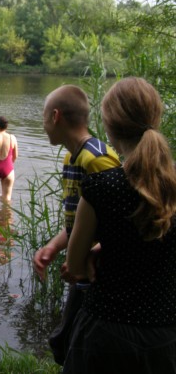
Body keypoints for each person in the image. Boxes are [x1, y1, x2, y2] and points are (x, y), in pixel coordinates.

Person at [62, 77, 176, 373]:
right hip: (164, 333)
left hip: (104, 330)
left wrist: (97, 251)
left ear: (110, 128)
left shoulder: (101, 187)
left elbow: (74, 266)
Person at [32, 85, 120, 365]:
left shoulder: (97, 159)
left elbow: (120, 223)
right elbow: (80, 221)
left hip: (99, 274)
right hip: (81, 270)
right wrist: (54, 246)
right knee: (65, 343)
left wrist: (89, 253)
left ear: (55, 116)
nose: (43, 125)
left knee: (75, 346)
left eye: (44, 117)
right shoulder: (72, 157)